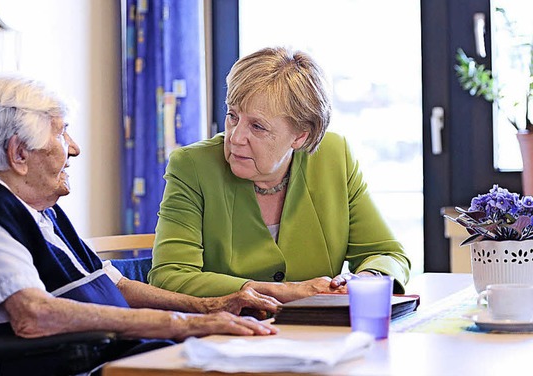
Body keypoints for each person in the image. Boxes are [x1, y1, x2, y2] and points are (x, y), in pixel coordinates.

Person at [0, 75, 279, 345]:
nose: (74, 149)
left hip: (113, 353)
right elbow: (34, 315)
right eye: (62, 135)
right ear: (18, 154)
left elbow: (114, 284)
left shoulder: (36, 208)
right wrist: (184, 325)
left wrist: (208, 308)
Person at [148, 46, 411, 303]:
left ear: (300, 135)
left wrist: (365, 280)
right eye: (232, 116)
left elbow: (386, 254)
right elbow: (170, 276)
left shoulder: (334, 157)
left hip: (319, 335)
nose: (236, 137)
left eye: (258, 126)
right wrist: (284, 291)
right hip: (224, 335)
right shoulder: (192, 166)